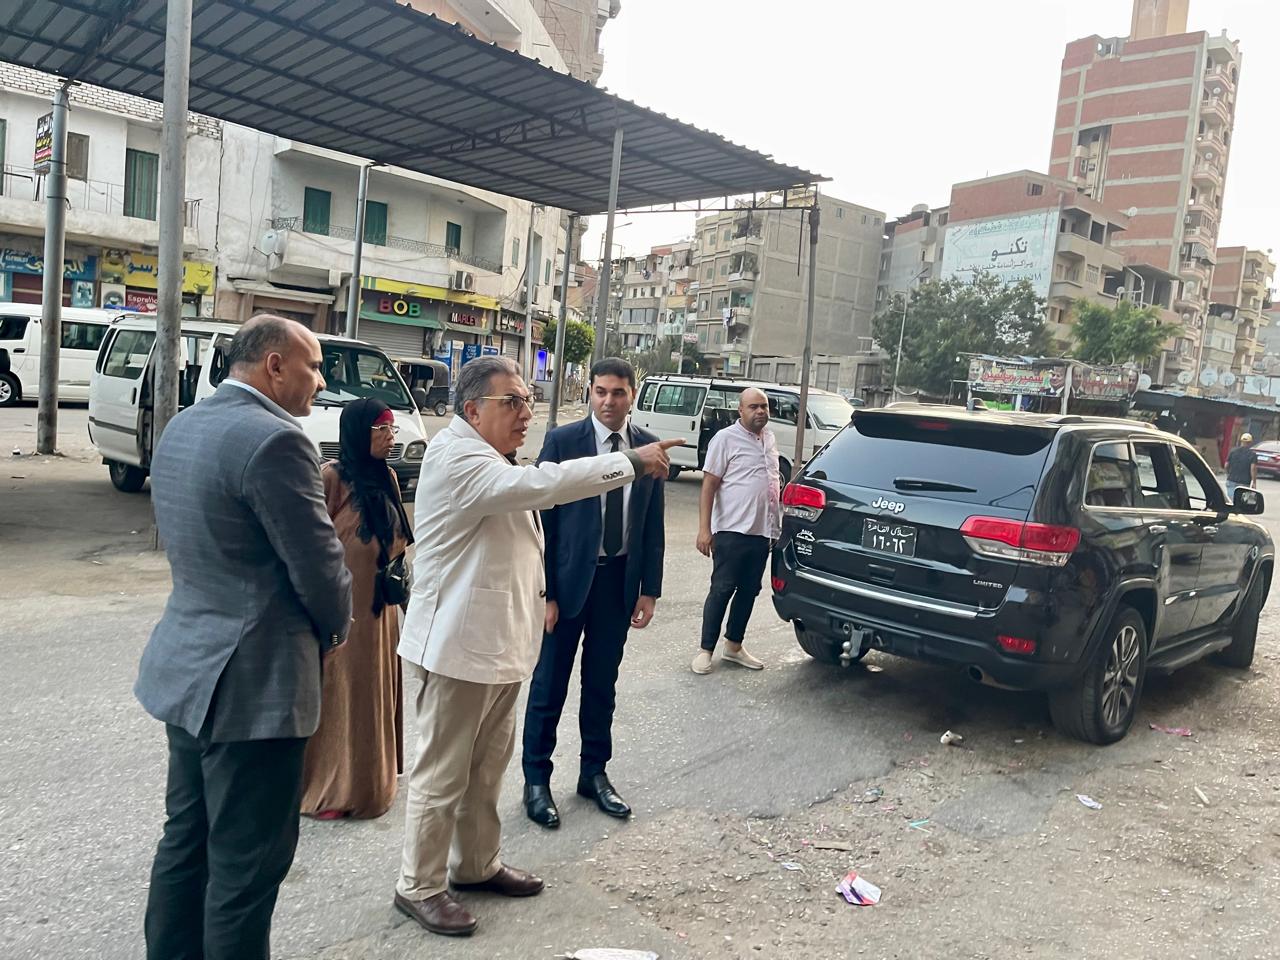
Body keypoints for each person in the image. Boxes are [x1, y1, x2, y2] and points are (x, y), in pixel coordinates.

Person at [394, 356, 680, 938]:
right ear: (473, 409)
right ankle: (419, 885)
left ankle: (476, 864)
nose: (527, 412)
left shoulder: (491, 455)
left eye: (528, 400)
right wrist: (629, 462)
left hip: (494, 647)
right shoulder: (457, 457)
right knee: (442, 775)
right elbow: (545, 488)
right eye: (514, 402)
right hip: (455, 648)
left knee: (485, 770)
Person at [137, 314, 353, 960]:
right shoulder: (277, 441)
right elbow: (319, 568)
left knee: (186, 843)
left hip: (187, 670)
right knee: (245, 869)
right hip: (256, 688)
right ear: (274, 366)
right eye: (314, 366)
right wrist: (334, 633)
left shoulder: (185, 425)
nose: (321, 381)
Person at [521, 358, 666, 830]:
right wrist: (545, 592)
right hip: (566, 584)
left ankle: (593, 773)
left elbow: (653, 523)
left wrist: (649, 589)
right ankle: (536, 780)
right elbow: (542, 521)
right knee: (549, 685)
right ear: (590, 393)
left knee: (602, 685)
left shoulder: (647, 447)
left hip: (617, 582)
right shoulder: (563, 442)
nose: (608, 401)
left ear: (632, 395)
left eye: (618, 393)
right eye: (600, 391)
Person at [300, 398, 411, 820]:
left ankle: (369, 782)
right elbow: (314, 544)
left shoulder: (387, 477)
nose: (390, 438)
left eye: (392, 429)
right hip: (344, 606)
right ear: (359, 433)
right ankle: (332, 789)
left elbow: (398, 538)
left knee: (371, 687)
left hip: (379, 607)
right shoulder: (333, 477)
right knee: (342, 690)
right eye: (381, 429)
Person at [691, 387, 781, 675]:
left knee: (749, 591)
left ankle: (734, 645)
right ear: (740, 410)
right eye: (753, 406)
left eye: (764, 406)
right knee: (722, 589)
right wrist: (704, 529)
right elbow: (709, 485)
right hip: (731, 530)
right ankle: (705, 650)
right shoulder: (725, 439)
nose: (760, 411)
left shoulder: (770, 439)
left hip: (762, 531)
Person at [1226, 432, 1258, 500]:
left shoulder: (1233, 451)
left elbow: (1226, 465)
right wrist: (1254, 482)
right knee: (1240, 502)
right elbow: (1253, 469)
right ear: (1250, 442)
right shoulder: (1252, 454)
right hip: (1244, 482)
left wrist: (1228, 474)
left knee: (1231, 500)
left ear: (1241, 441)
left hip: (1231, 480)